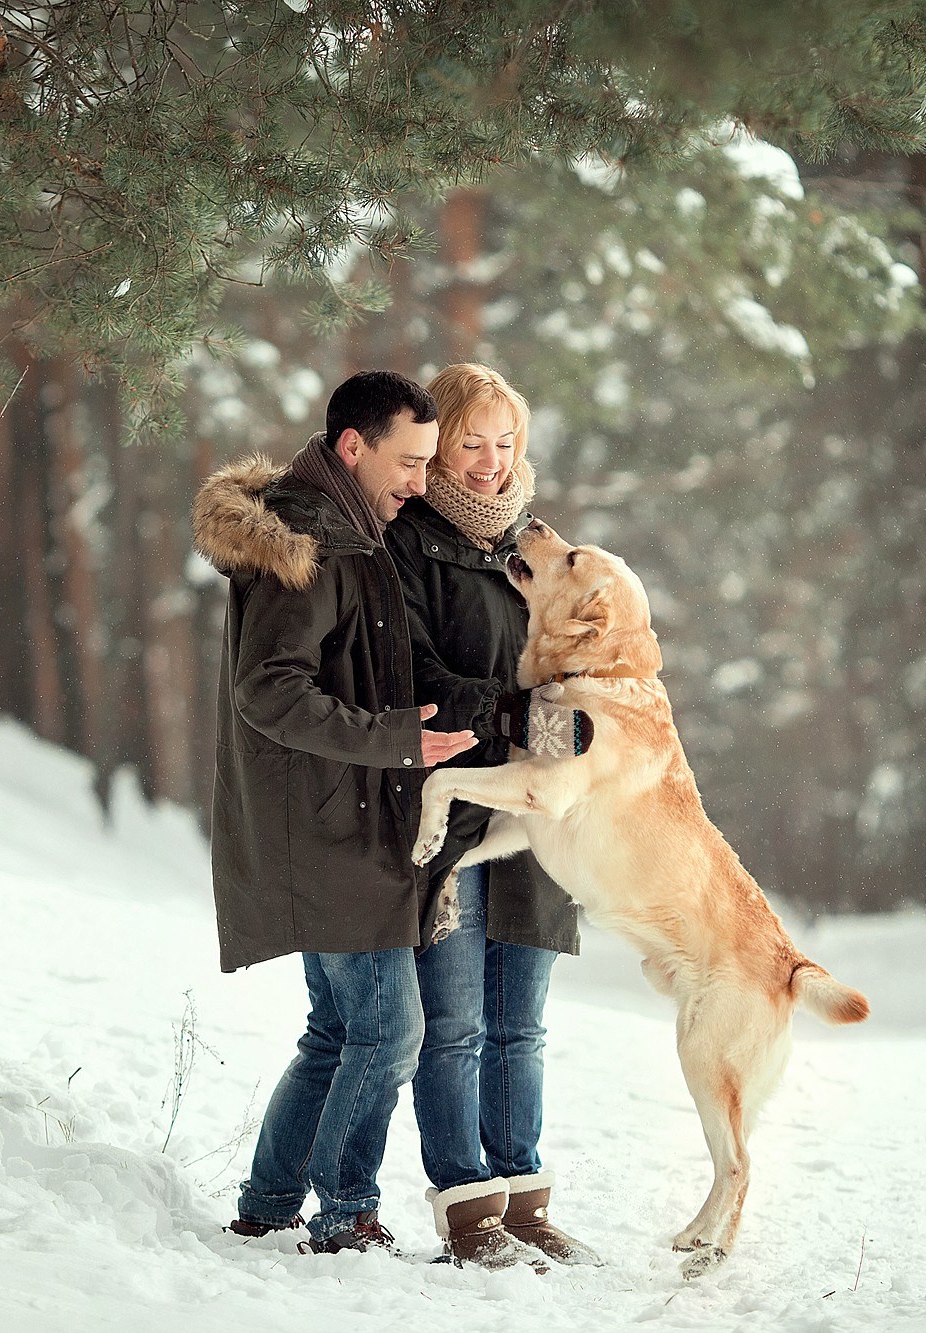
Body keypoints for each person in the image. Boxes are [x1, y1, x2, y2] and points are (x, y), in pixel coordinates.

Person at [191, 370, 476, 1254]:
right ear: (353, 447)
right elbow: (267, 691)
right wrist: (394, 740)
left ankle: (268, 1201)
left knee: (336, 1031)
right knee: (389, 1031)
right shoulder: (309, 544)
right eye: (410, 461)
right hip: (328, 828)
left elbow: (367, 666)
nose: (422, 482)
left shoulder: (351, 529)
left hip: (344, 820)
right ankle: (344, 1210)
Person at [383, 362, 600, 1269]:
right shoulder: (408, 545)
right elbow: (419, 675)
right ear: (438, 447)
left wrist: (584, 716)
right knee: (458, 1021)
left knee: (524, 1026)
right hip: (459, 813)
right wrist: (514, 715)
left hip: (542, 819)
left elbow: (586, 657)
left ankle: (524, 1200)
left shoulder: (539, 548)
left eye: (504, 442)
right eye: (471, 441)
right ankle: (469, 1212)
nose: (488, 461)